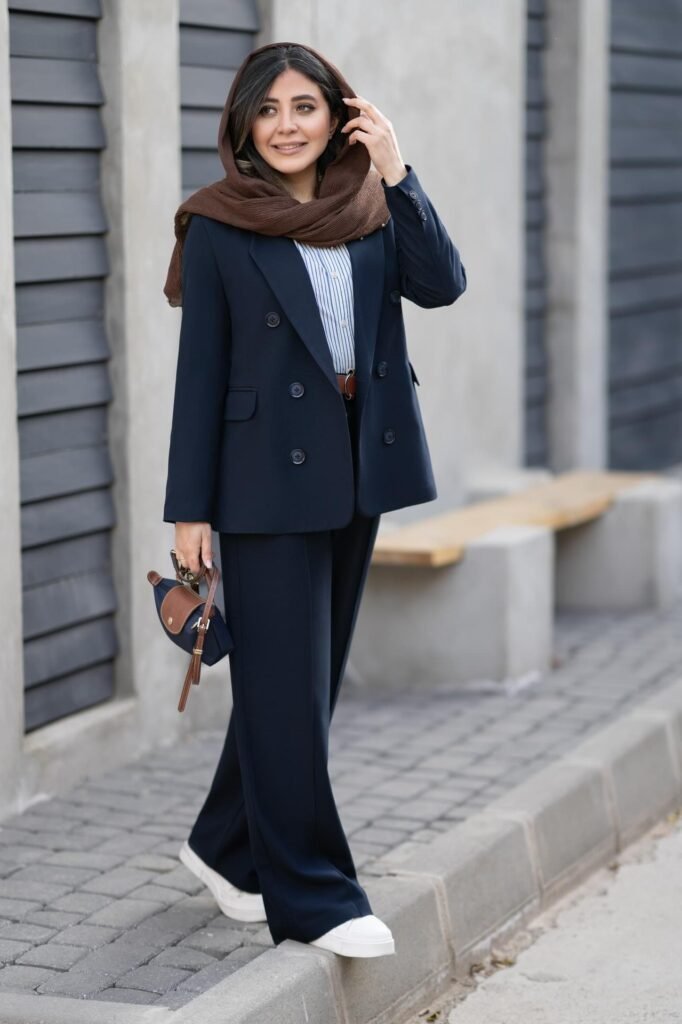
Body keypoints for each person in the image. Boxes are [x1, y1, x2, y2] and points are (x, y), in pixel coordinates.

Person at [161, 40, 466, 959]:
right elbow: (200, 374)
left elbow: (442, 284)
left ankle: (224, 848)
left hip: (356, 465)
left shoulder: (369, 206)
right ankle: (316, 898)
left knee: (300, 684)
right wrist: (188, 509)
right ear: (243, 124)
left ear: (339, 115)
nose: (286, 126)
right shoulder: (220, 224)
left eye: (305, 107)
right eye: (268, 110)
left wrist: (399, 171)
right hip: (260, 479)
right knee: (288, 690)